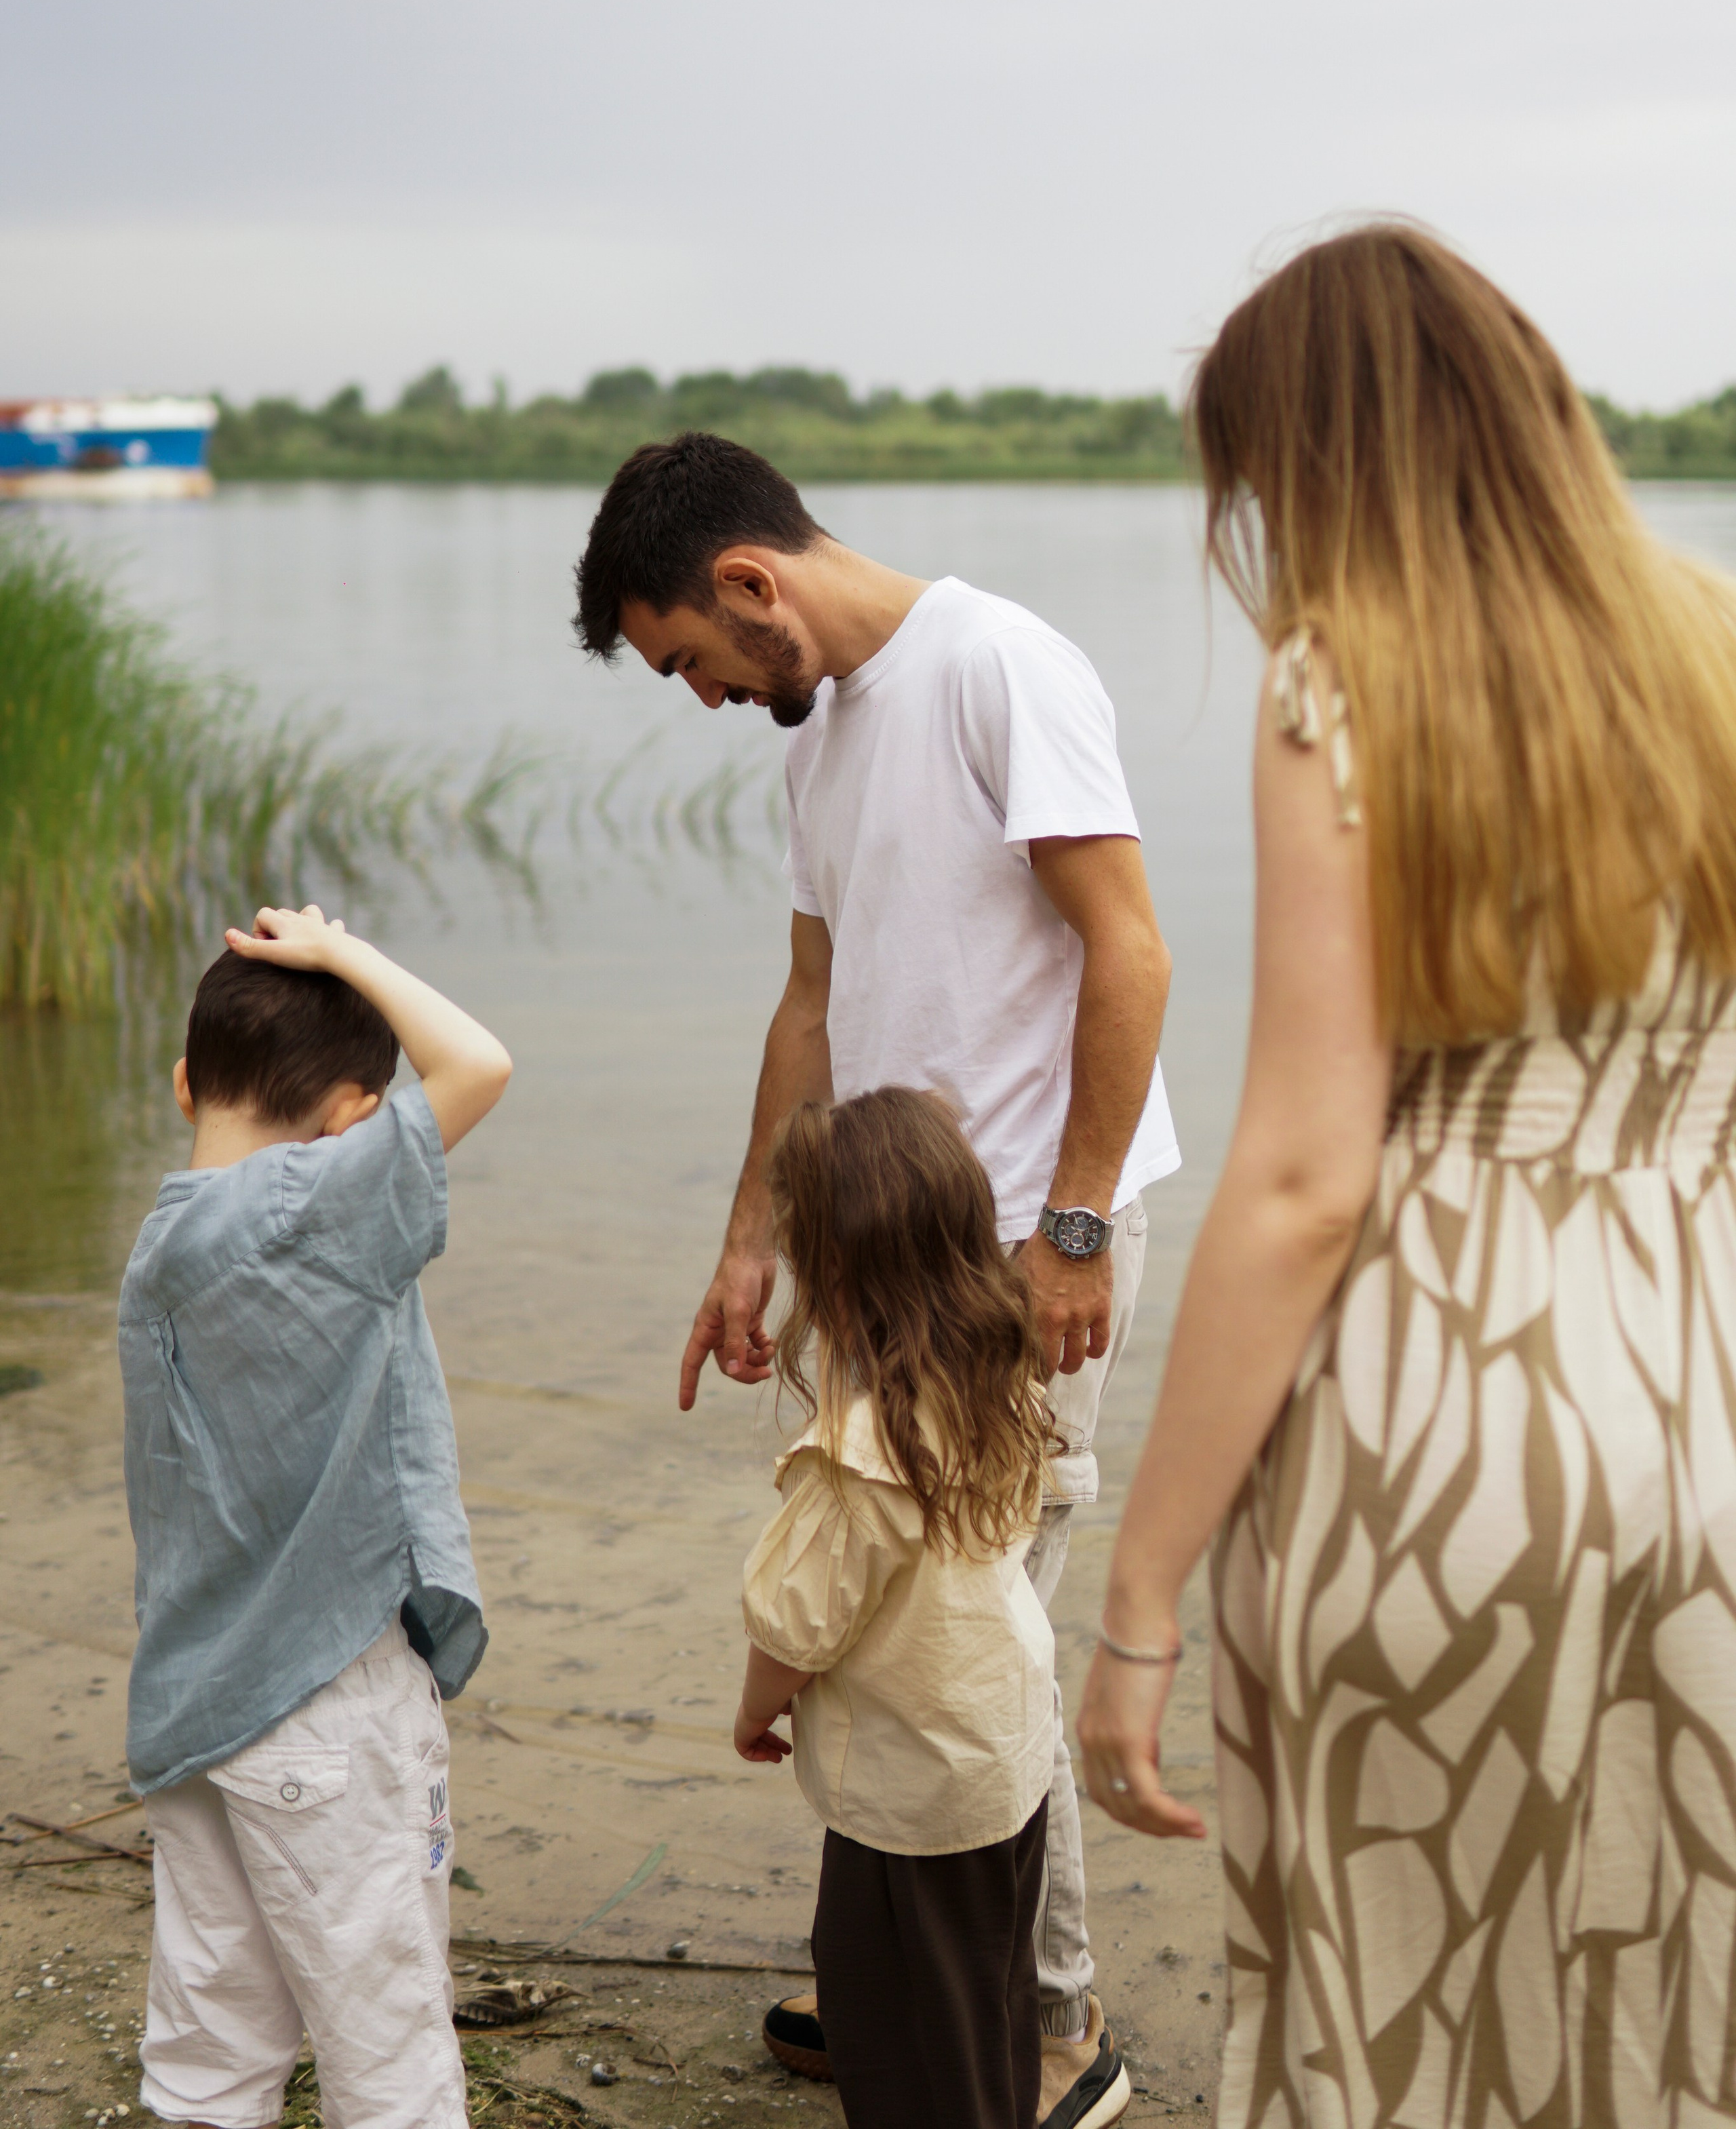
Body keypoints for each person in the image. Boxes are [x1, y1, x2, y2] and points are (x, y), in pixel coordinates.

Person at [1076, 224, 1736, 2126]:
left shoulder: (1341, 685)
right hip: (1696, 1417)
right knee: (1654, 2000)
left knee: (1391, 2019)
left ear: (1323, 460)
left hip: (1442, 1429)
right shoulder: (1706, 652)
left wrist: (1142, 1592)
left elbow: (1303, 1179)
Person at [576, 430, 1177, 2121]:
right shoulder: (818, 740)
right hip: (877, 1240)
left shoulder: (996, 666)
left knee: (989, 1632)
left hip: (1017, 1250)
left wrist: (1069, 1228)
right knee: (878, 1610)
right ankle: (908, 1970)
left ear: (751, 583)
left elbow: (1128, 950)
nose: (695, 695)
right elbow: (806, 1007)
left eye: (687, 658)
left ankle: (1053, 2030)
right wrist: (748, 1239)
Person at [121, 903, 512, 2129]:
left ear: (187, 1083)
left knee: (211, 2037)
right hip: (325, 1699)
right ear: (352, 1119)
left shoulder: (165, 1245)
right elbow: (481, 1065)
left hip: (196, 1704)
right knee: (384, 2040)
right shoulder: (311, 1206)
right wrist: (344, 952)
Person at [736, 1085, 1122, 2129]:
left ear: (835, 1270)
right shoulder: (1003, 1376)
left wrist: (752, 1710)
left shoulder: (863, 1453)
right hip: (1007, 1760)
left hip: (912, 1797)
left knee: (898, 2031)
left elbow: (795, 1627)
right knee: (988, 2003)